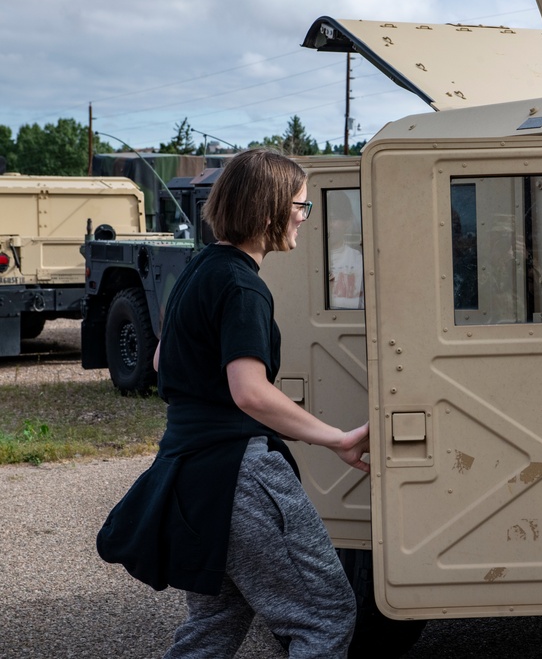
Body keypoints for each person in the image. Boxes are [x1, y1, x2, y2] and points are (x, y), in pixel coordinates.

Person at [97, 148, 369, 659]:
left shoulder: (199, 271)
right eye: (300, 206)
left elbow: (161, 362)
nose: (303, 219)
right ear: (268, 210)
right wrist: (335, 438)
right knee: (326, 614)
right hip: (237, 474)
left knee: (215, 623)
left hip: (190, 474)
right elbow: (249, 390)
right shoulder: (244, 285)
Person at [327, 192, 364, 309]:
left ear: (348, 221)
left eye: (333, 219)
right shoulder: (311, 261)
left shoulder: (359, 260)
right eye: (325, 219)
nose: (328, 225)